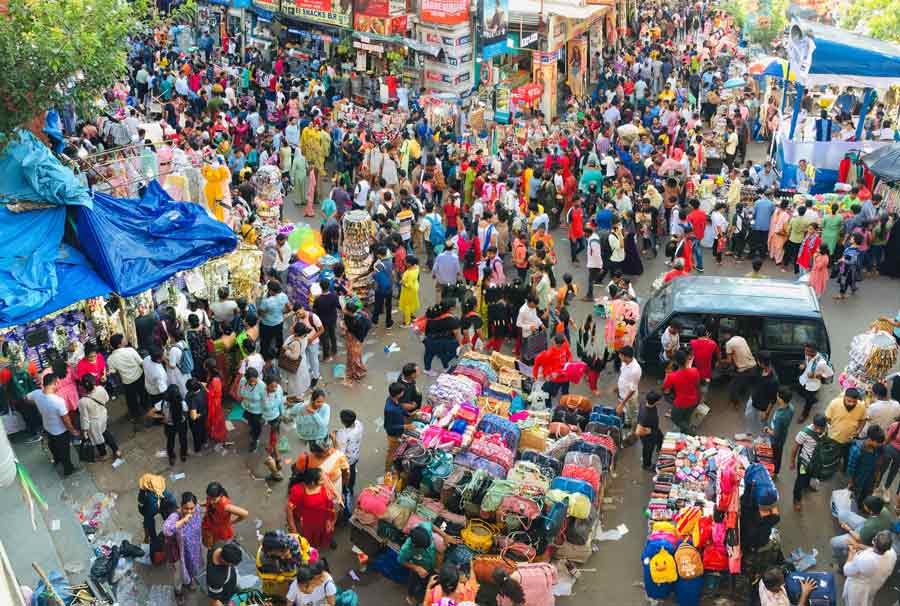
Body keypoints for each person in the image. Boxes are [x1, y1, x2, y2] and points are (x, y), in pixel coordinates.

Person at [398, 522, 458, 606]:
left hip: (431, 564)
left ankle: (425, 589)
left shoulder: (425, 528)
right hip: (419, 568)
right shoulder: (407, 549)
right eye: (424, 548)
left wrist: (445, 535)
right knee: (414, 581)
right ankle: (410, 596)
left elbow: (431, 525)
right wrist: (416, 568)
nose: (428, 548)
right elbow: (401, 560)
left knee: (427, 580)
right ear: (415, 546)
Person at [33, 374, 80, 476]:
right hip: (60, 431)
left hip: (47, 427)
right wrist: (72, 430)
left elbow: (25, 398)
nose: (58, 385)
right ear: (54, 384)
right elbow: (66, 419)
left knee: (52, 445)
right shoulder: (58, 401)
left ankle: (57, 460)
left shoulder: (36, 394)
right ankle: (68, 469)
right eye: (57, 383)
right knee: (64, 451)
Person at [831, 495, 894, 566]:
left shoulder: (870, 526)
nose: (864, 506)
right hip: (867, 526)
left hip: (865, 536)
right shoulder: (884, 510)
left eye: (865, 506)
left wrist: (848, 528)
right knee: (842, 514)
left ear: (871, 511)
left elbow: (859, 538)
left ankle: (842, 563)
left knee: (834, 542)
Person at [162, 492, 203, 597]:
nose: (189, 511)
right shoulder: (175, 516)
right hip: (178, 551)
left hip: (193, 548)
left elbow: (201, 505)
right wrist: (183, 520)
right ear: (181, 506)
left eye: (191, 508)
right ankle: (178, 592)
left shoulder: (197, 509)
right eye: (186, 508)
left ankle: (189, 582)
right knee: (179, 573)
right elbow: (166, 530)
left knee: (192, 566)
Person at [286, 467, 336, 550]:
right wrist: (293, 529)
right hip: (308, 523)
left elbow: (330, 503)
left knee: (326, 532)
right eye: (322, 480)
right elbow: (289, 509)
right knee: (309, 539)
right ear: (313, 483)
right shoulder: (298, 491)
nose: (325, 481)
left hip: (324, 519)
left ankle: (327, 540)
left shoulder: (324, 484)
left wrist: (332, 520)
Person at [843, 530, 896, 606]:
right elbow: (873, 549)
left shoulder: (864, 559)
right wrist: (857, 545)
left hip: (859, 589)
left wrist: (851, 553)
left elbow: (846, 570)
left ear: (873, 541)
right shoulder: (892, 554)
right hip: (875, 585)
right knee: (868, 600)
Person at [77, 374, 121, 461]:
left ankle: (103, 454)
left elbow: (84, 418)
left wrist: (84, 430)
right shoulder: (101, 389)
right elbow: (107, 399)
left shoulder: (82, 402)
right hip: (103, 416)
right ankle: (116, 450)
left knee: (97, 438)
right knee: (105, 432)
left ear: (83, 387)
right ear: (93, 383)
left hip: (94, 423)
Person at [790, 413, 828, 511]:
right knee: (800, 480)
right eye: (817, 428)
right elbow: (795, 448)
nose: (819, 430)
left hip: (816, 461)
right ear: (813, 424)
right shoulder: (804, 433)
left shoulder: (826, 428)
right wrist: (792, 462)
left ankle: (806, 486)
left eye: (821, 428)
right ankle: (796, 500)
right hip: (804, 463)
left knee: (810, 475)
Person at [826, 387, 868, 473]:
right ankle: (830, 468)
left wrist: (859, 430)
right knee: (832, 455)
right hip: (834, 438)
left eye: (854, 402)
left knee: (846, 455)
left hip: (849, 439)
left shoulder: (861, 406)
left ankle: (844, 468)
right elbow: (828, 418)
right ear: (844, 397)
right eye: (849, 401)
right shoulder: (834, 403)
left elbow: (863, 419)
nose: (851, 404)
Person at [107, 334, 146, 423]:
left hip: (127, 381)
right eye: (123, 339)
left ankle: (136, 415)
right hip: (139, 376)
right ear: (119, 344)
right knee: (143, 393)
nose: (125, 340)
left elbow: (112, 371)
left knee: (131, 400)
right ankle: (145, 408)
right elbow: (141, 362)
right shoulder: (130, 350)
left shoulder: (110, 359)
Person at [848, 425, 886, 509]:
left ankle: (864, 507)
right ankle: (854, 509)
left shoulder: (878, 448)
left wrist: (876, 478)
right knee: (855, 496)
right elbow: (851, 468)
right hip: (858, 479)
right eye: (879, 442)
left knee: (867, 494)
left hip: (870, 478)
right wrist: (851, 482)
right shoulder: (857, 450)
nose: (880, 444)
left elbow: (878, 464)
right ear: (871, 440)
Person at [663, 350, 700, 434]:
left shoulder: (672, 376)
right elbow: (697, 386)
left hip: (680, 402)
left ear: (675, 362)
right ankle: (685, 435)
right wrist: (698, 399)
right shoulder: (694, 371)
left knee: (675, 418)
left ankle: (690, 431)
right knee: (686, 419)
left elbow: (665, 389)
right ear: (687, 359)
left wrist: (667, 374)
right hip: (693, 400)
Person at [201, 482, 248, 548]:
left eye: (214, 499)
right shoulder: (211, 498)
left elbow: (245, 513)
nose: (211, 502)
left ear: (220, 495)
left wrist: (232, 522)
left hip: (220, 530)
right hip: (210, 524)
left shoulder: (226, 506)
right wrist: (200, 504)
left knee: (219, 545)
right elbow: (208, 502)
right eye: (209, 498)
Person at [795, 342, 833, 422]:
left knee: (808, 402)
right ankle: (813, 399)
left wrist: (815, 376)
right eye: (805, 350)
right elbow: (807, 362)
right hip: (804, 379)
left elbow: (830, 373)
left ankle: (805, 414)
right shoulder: (807, 355)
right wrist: (804, 365)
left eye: (808, 351)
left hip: (812, 385)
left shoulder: (821, 363)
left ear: (814, 351)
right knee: (799, 389)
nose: (805, 353)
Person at [334, 409, 363, 511]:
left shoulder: (342, 435)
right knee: (352, 471)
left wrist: (334, 438)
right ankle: (350, 488)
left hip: (346, 460)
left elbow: (339, 452)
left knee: (345, 475)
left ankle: (346, 493)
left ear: (343, 421)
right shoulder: (359, 424)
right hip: (355, 455)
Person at [764, 387, 795, 479]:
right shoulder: (791, 408)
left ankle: (774, 472)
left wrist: (767, 430)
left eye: (778, 396)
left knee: (776, 455)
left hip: (776, 440)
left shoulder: (780, 417)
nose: (777, 397)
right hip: (783, 434)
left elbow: (775, 434)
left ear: (781, 399)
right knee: (777, 454)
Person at [721, 329, 757, 409]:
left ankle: (736, 404)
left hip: (745, 369)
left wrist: (720, 361)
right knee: (743, 383)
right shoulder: (741, 338)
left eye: (723, 334)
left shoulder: (728, 344)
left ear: (727, 334)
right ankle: (742, 396)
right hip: (753, 366)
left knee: (732, 387)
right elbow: (740, 352)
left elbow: (729, 361)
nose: (722, 337)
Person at [384, 382, 415, 469]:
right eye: (402, 391)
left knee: (398, 446)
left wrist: (409, 414)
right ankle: (387, 469)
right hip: (393, 434)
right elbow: (388, 426)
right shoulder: (390, 409)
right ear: (399, 394)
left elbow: (400, 408)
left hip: (399, 429)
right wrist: (405, 426)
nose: (403, 392)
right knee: (391, 452)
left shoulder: (394, 399)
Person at [257, 280, 291, 359]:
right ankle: (279, 353)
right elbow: (289, 308)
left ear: (271, 291)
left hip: (266, 324)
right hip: (279, 322)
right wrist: (281, 312)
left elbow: (260, 312)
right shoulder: (284, 296)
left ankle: (264, 355)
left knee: (265, 341)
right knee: (279, 338)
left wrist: (266, 314)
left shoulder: (266, 301)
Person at [747, 351, 779, 433]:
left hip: (762, 406)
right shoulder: (759, 368)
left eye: (757, 360)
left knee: (762, 422)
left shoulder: (773, 380)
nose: (756, 362)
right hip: (753, 399)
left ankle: (763, 437)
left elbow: (773, 399)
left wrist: (766, 413)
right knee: (748, 416)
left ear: (762, 363)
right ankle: (749, 434)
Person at [280, 322, 312, 400]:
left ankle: (293, 396)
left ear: (296, 332)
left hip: (293, 364)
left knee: (293, 381)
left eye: (293, 327)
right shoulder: (304, 337)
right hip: (301, 363)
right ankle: (296, 394)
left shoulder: (296, 342)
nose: (291, 327)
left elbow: (294, 357)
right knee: (298, 381)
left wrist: (286, 351)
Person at [342, 302, 371, 385]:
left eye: (346, 309)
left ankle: (359, 372)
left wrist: (359, 340)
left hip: (356, 339)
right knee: (350, 355)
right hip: (350, 337)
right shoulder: (347, 315)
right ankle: (352, 370)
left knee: (355, 356)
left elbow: (367, 326)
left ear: (350, 312)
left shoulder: (360, 319)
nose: (344, 310)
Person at [238, 367, 265, 452]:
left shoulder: (262, 385)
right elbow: (239, 392)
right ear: (246, 379)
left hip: (258, 411)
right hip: (246, 407)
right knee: (250, 422)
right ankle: (253, 430)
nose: (254, 382)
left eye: (255, 380)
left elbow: (265, 401)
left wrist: (264, 415)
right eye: (251, 381)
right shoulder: (242, 381)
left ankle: (255, 441)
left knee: (256, 426)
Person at [206, 542, 243, 606]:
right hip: (224, 595)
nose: (233, 566)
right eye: (232, 564)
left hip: (230, 585)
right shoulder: (215, 579)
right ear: (223, 560)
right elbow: (213, 600)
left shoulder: (218, 545)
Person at [636, 391, 663, 470]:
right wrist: (650, 431)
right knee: (648, 450)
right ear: (656, 402)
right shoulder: (646, 415)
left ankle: (659, 448)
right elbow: (638, 432)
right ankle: (646, 465)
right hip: (648, 437)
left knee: (660, 437)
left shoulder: (644, 402)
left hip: (654, 428)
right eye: (659, 400)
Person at [616, 346, 642, 427]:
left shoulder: (635, 370)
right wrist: (617, 386)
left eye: (620, 355)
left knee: (633, 414)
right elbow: (623, 375)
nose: (619, 356)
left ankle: (633, 430)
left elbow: (632, 389)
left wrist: (622, 403)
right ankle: (627, 422)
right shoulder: (624, 362)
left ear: (625, 356)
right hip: (622, 393)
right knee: (625, 411)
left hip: (629, 398)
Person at [204, 359, 227, 444]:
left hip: (214, 402)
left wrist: (204, 388)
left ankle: (217, 434)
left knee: (215, 418)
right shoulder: (213, 375)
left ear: (207, 367)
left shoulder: (215, 379)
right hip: (213, 400)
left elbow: (213, 393)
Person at [185, 379, 208, 453]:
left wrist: (200, 414)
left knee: (196, 434)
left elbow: (193, 416)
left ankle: (198, 448)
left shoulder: (193, 399)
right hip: (204, 414)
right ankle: (204, 441)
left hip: (196, 421)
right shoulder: (202, 389)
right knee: (203, 429)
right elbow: (204, 383)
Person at [398, 255, 421, 326]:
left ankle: (406, 322)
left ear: (409, 263)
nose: (404, 262)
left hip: (408, 291)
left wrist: (402, 283)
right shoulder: (417, 267)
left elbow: (409, 285)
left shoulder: (409, 273)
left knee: (406, 306)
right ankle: (412, 317)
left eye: (405, 261)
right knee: (412, 303)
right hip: (415, 288)